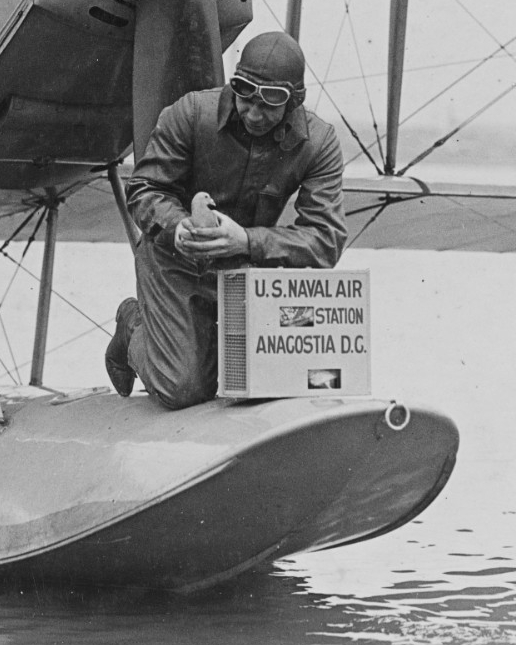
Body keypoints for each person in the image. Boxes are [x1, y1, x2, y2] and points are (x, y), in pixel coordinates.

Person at [106, 31, 347, 409]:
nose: (252, 113)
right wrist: (178, 227)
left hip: (247, 273)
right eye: (244, 95)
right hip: (175, 261)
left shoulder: (318, 143)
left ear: (294, 102)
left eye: (269, 105)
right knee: (182, 390)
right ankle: (132, 326)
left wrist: (248, 241)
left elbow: (325, 240)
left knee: (284, 379)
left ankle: (197, 352)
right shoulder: (190, 113)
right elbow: (145, 189)